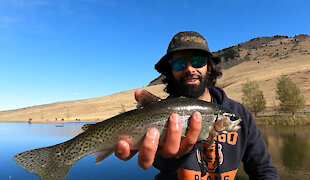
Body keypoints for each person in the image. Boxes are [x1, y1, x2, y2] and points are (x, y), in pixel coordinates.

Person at [115, 31, 279, 179]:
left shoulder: (240, 112)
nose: (189, 69)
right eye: (179, 63)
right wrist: (170, 161)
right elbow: (163, 166)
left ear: (209, 67)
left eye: (197, 61)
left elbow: (263, 170)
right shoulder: (161, 111)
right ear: (170, 71)